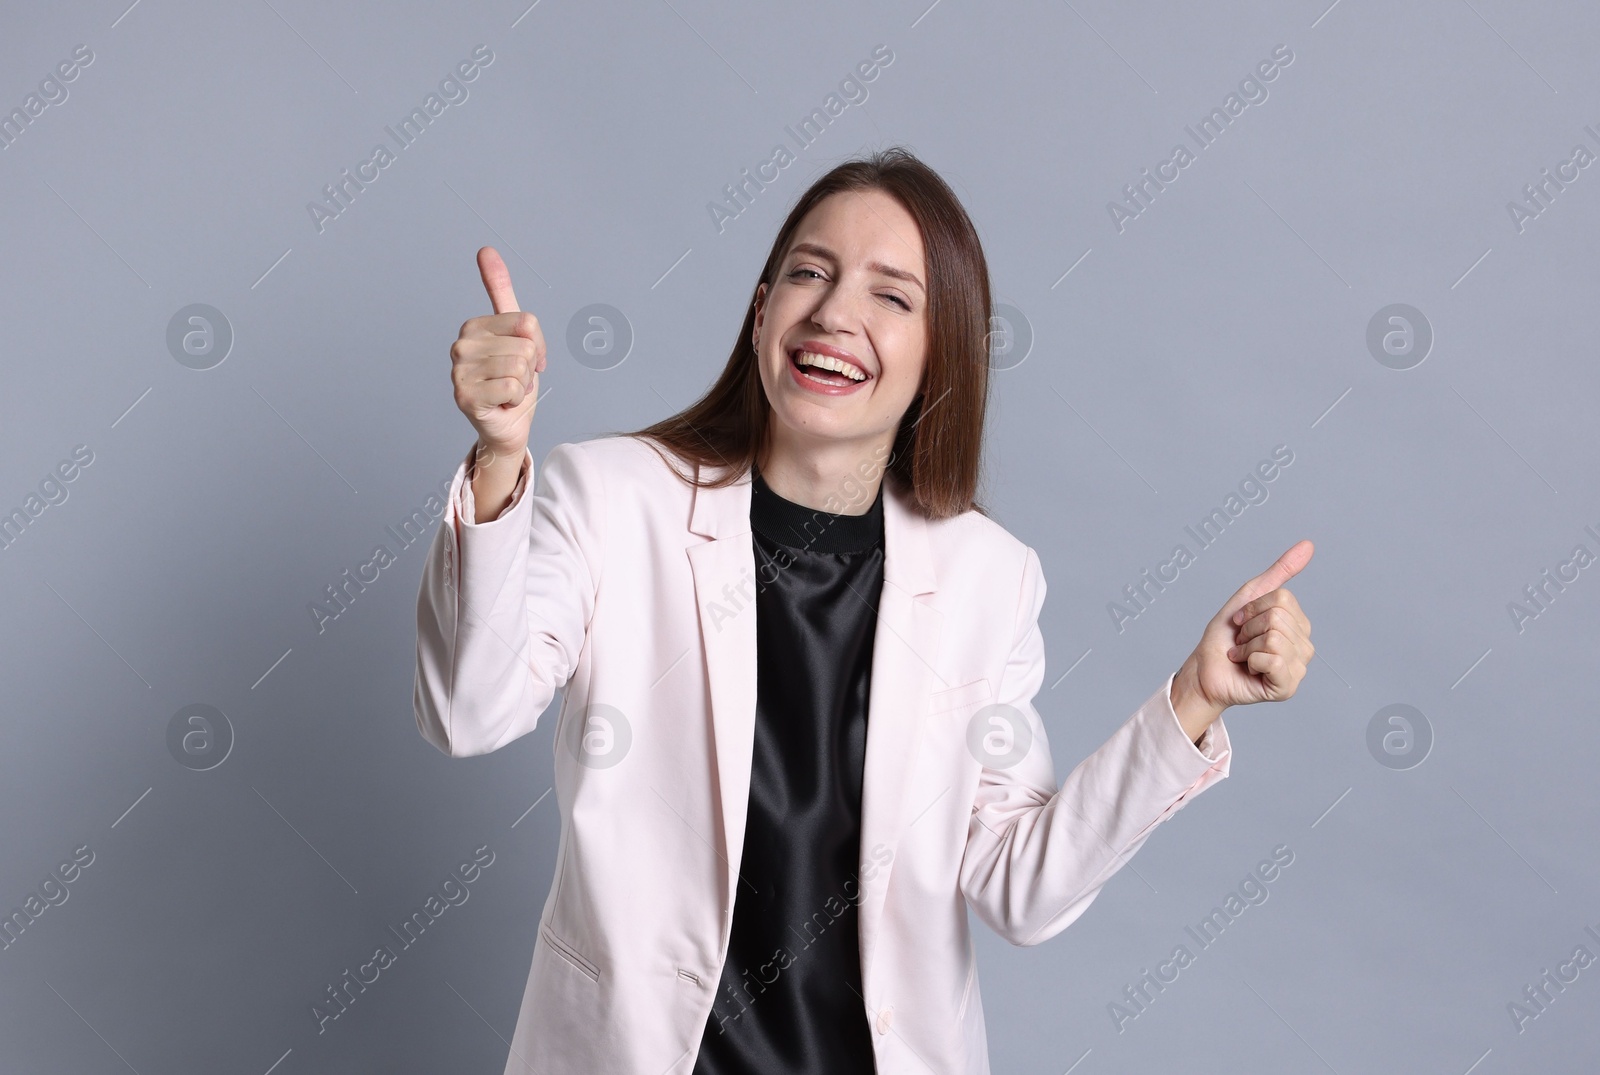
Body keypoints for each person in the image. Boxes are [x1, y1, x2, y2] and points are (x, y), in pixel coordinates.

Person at [413, 147, 1314, 1074]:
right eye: (809, 272)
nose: (835, 313)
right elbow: (468, 712)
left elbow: (1022, 888)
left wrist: (1194, 699)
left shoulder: (986, 579)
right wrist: (497, 460)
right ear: (762, 311)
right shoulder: (610, 496)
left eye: (892, 295)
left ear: (940, 354)